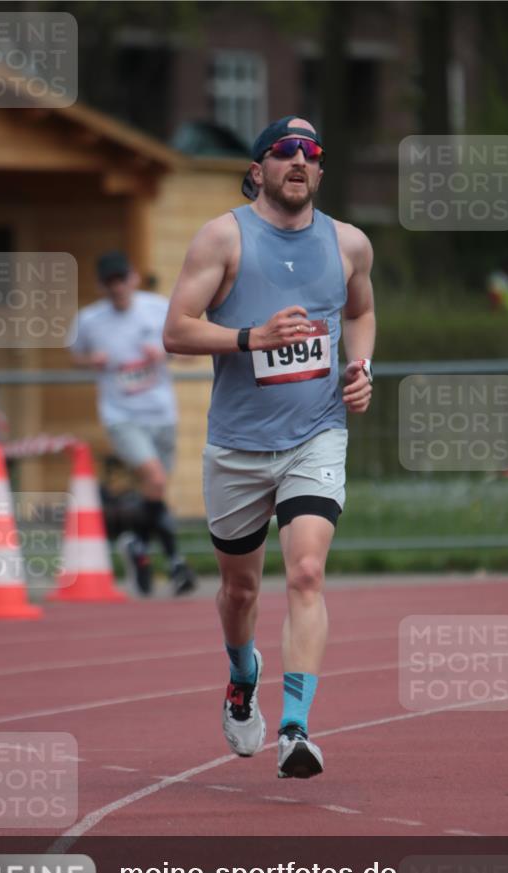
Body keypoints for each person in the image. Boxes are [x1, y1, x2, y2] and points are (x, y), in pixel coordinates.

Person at [163, 116, 375, 778]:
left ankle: (295, 728)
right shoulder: (223, 237)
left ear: (319, 172)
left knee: (306, 571)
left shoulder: (348, 243)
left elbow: (361, 311)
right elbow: (175, 330)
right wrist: (249, 337)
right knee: (239, 590)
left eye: (311, 152)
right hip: (237, 446)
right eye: (284, 150)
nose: (298, 160)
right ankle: (239, 675)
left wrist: (362, 368)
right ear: (257, 169)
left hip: (315, 431)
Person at [70, 251, 196, 597]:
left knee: (155, 491)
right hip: (121, 415)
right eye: (109, 282)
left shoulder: (157, 308)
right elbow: (75, 357)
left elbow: (190, 352)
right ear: (101, 285)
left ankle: (137, 546)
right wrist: (90, 361)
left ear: (133, 278)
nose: (117, 288)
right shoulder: (90, 320)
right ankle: (174, 561)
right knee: (154, 478)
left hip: (161, 413)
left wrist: (166, 353)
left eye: (121, 279)